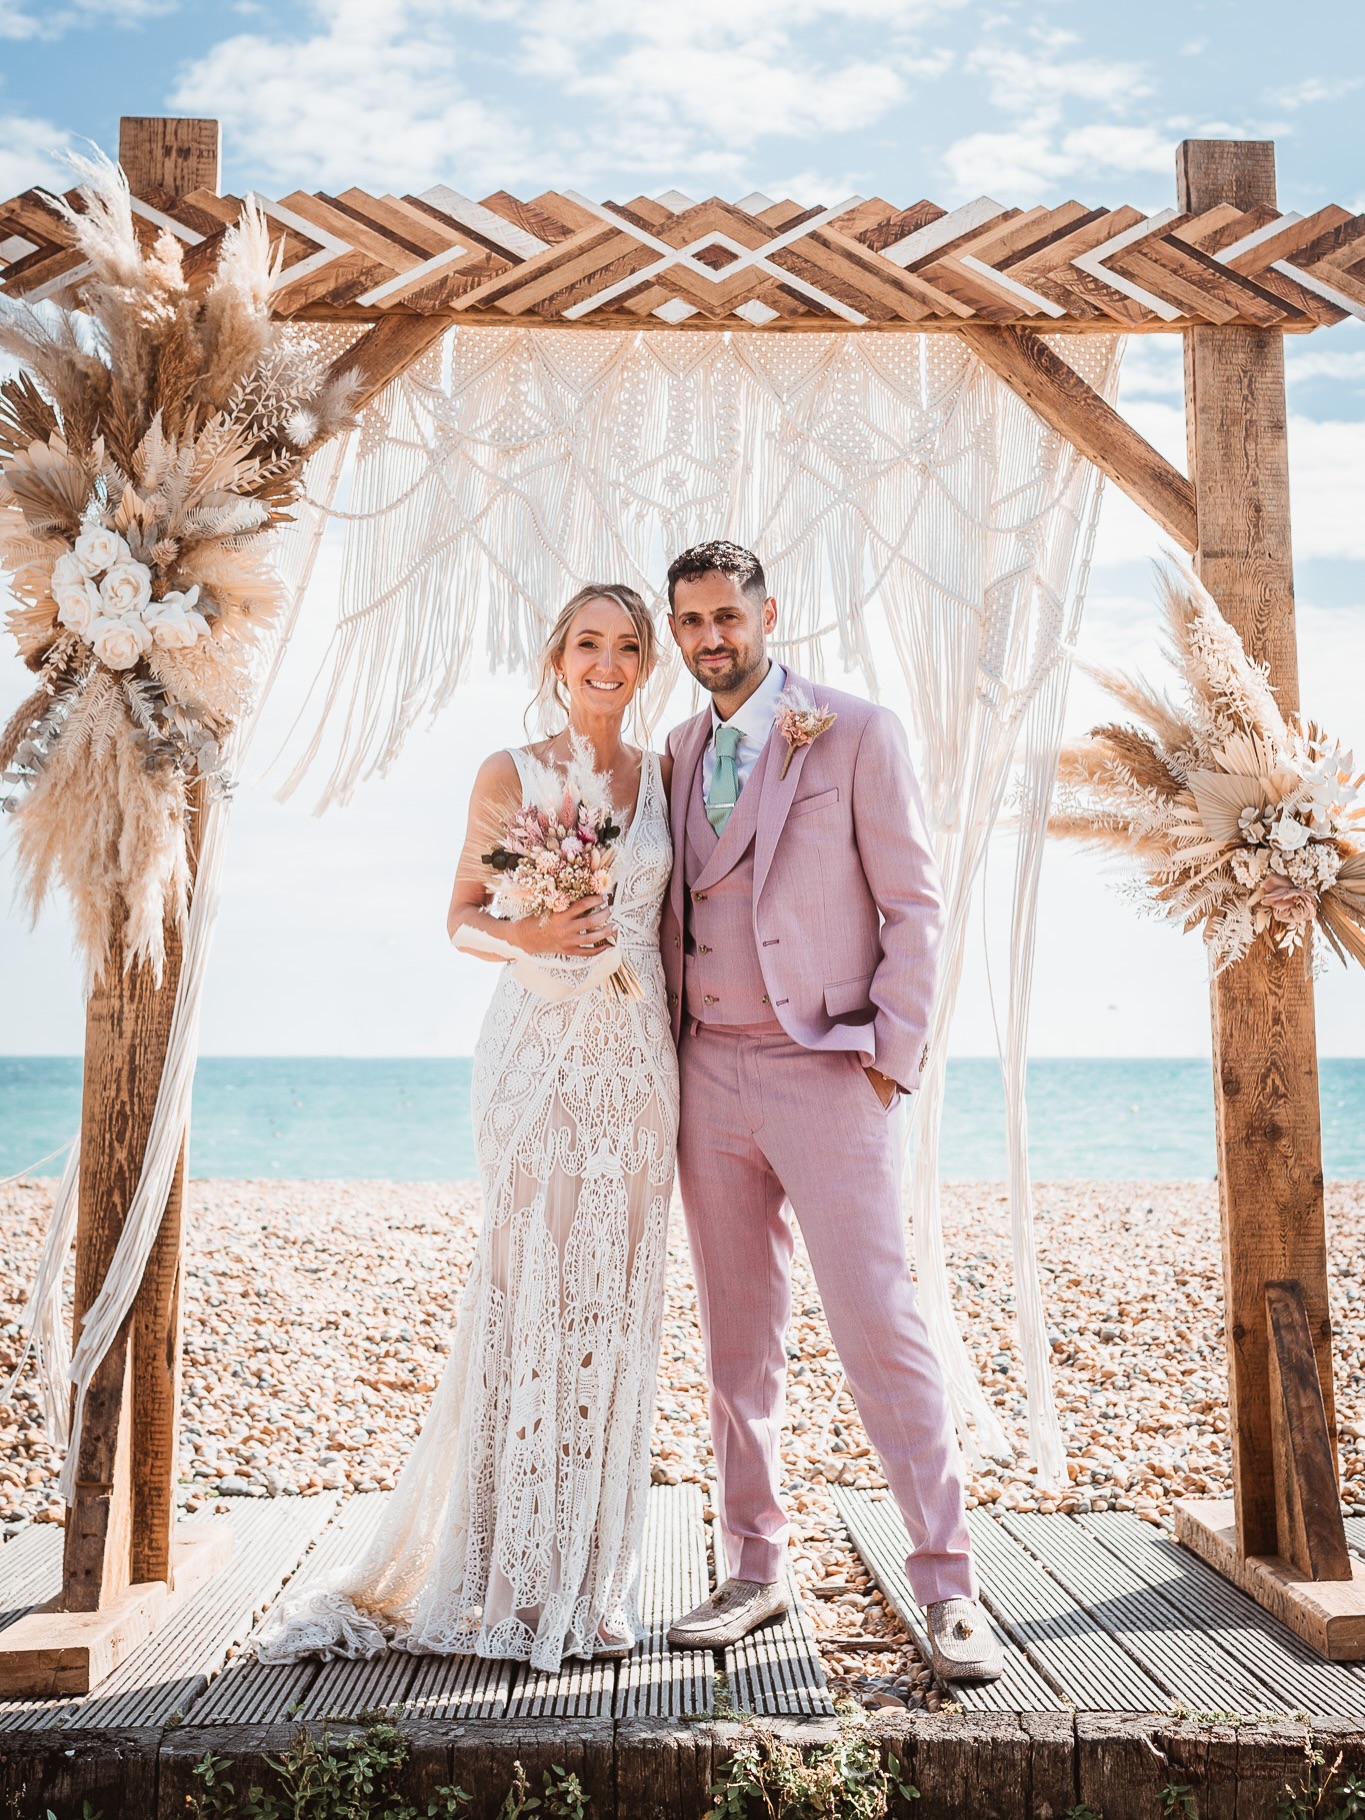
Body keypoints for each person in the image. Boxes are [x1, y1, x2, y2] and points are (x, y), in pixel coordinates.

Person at [257, 583, 678, 1671]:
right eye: (589, 642)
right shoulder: (513, 770)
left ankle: (588, 1583)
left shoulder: (665, 775)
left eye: (628, 646)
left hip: (638, 1062)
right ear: (556, 654)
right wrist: (535, 925)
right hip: (534, 1054)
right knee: (527, 1292)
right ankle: (504, 1580)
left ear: (645, 664)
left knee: (614, 1302)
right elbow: (462, 919)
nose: (608, 661)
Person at [658, 540, 1003, 1683]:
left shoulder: (856, 730)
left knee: (879, 1323)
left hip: (828, 1072)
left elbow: (916, 905)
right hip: (706, 1071)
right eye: (692, 620)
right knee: (736, 1336)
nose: (712, 636)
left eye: (727, 614)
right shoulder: (673, 750)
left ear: (769, 613)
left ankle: (948, 1584)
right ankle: (754, 1567)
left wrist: (888, 1062)